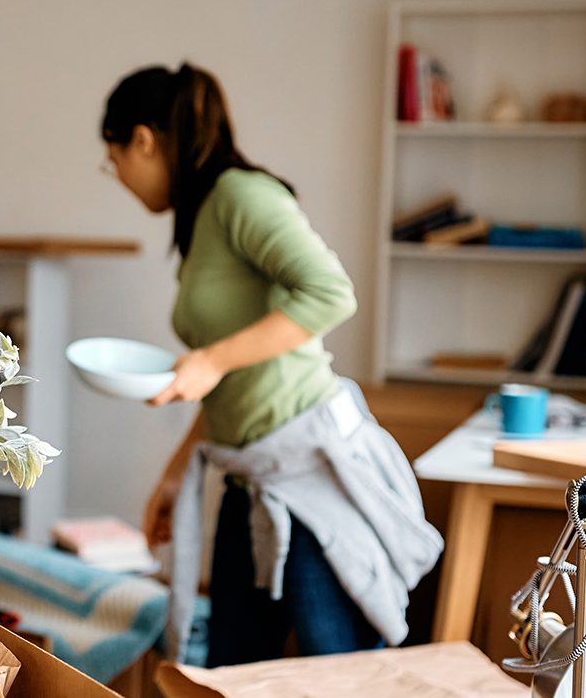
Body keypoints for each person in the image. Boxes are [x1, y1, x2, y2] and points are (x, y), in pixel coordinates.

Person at [100, 63, 441, 665]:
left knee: (333, 672)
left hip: (308, 479)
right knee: (233, 672)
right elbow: (230, 376)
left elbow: (332, 292)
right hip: (246, 478)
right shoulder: (202, 219)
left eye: (114, 159)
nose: (118, 176)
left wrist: (210, 357)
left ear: (145, 141)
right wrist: (178, 470)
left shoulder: (241, 194)